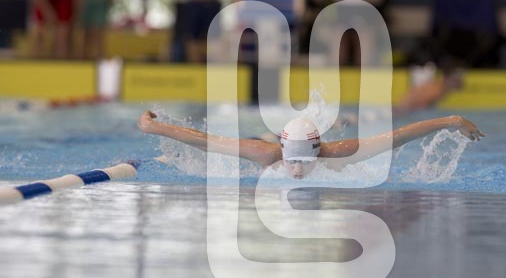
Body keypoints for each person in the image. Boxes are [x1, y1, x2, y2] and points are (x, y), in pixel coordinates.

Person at [137, 111, 484, 180]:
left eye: (304, 162)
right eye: (293, 161)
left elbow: (398, 137)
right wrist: (154, 127)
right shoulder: (266, 154)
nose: (297, 170)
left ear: (319, 151)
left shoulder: (340, 153)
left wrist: (451, 121)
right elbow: (206, 142)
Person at [394, 66, 464, 114]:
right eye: (456, 79)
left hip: (402, 110)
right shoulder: (437, 91)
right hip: (402, 112)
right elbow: (418, 107)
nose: (460, 82)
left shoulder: (440, 89)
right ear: (447, 78)